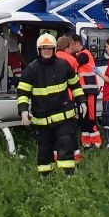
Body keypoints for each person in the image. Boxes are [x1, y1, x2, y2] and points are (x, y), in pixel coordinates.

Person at [16, 32, 83, 176]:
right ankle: (45, 178)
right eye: (43, 48)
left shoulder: (63, 65)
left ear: (54, 49)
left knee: (66, 146)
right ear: (38, 50)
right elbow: (22, 93)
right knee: (44, 150)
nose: (46, 50)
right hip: (42, 120)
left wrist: (82, 101)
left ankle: (68, 176)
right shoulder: (31, 70)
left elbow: (75, 86)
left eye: (49, 48)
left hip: (63, 118)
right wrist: (23, 110)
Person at [71, 33, 103, 149]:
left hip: (89, 90)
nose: (71, 48)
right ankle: (86, 142)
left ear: (77, 44)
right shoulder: (81, 54)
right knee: (83, 117)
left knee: (90, 116)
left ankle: (96, 141)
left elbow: (74, 64)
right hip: (83, 91)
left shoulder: (84, 54)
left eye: (71, 45)